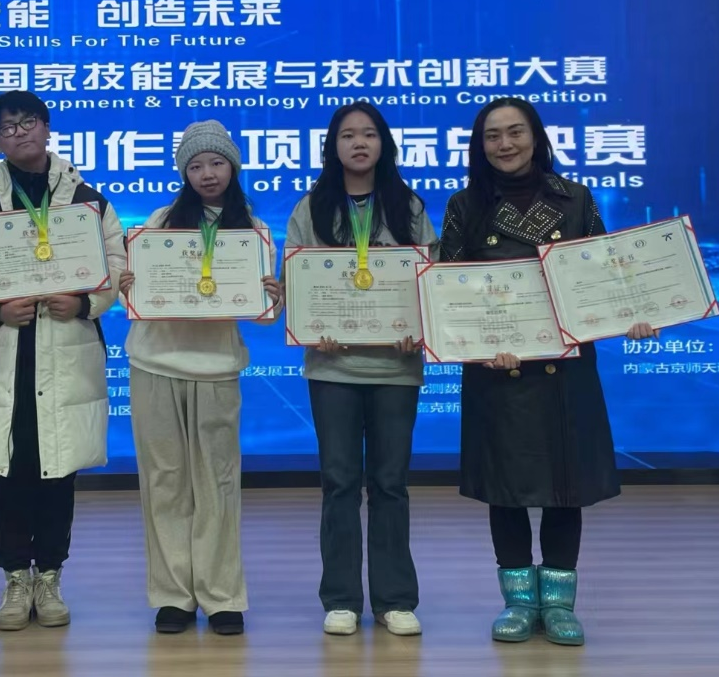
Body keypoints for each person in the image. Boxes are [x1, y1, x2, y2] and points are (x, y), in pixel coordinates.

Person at [438, 96, 656, 646]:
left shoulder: (576, 198)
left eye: (515, 132)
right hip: (498, 370)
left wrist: (631, 314)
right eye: (492, 135)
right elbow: (448, 290)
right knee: (505, 488)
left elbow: (605, 276)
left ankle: (559, 604)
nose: (505, 144)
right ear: (479, 145)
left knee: (566, 486)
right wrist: (480, 345)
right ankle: (517, 601)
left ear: (536, 137)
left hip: (566, 369)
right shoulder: (465, 205)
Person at [0, 90, 126, 631]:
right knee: (8, 471)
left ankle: (51, 575)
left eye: (27, 122)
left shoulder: (87, 200)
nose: (19, 133)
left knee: (58, 471)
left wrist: (85, 303)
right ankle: (16, 577)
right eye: (7, 127)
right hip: (4, 354)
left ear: (46, 127)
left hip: (65, 350)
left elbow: (116, 263)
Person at [118, 121, 283, 637]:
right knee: (163, 481)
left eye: (216, 162)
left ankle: (221, 596)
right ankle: (173, 595)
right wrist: (128, 283)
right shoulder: (159, 223)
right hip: (154, 364)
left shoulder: (253, 231)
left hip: (216, 368)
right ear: (183, 173)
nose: (207, 173)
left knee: (218, 483)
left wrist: (272, 298)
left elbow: (263, 316)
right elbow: (136, 295)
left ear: (232, 166)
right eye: (195, 165)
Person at [283, 102, 436, 638]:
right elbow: (295, 280)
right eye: (347, 135)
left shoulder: (408, 205)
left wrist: (419, 324)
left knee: (391, 483)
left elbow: (430, 279)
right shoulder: (312, 206)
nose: (359, 143)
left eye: (369, 134)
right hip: (333, 368)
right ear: (333, 146)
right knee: (340, 482)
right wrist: (311, 323)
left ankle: (395, 599)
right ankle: (342, 598)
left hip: (396, 367)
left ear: (384, 144)